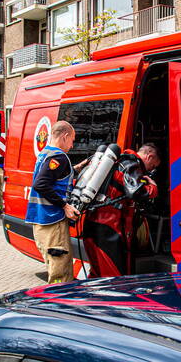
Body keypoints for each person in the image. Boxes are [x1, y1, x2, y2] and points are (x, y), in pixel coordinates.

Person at [82, 143, 161, 277]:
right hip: (108, 229)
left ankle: (93, 297)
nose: (150, 170)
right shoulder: (132, 164)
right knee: (113, 276)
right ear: (149, 156)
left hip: (93, 222)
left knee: (97, 273)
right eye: (153, 165)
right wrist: (153, 188)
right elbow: (136, 192)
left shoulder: (117, 161)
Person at [25, 121, 80, 284]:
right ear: (65, 136)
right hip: (52, 221)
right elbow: (41, 184)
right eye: (72, 140)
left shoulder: (46, 153)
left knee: (54, 266)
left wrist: (81, 166)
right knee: (60, 272)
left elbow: (56, 176)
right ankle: (59, 303)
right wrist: (65, 206)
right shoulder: (59, 157)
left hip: (42, 220)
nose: (72, 145)